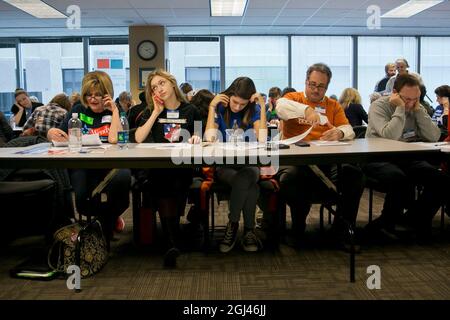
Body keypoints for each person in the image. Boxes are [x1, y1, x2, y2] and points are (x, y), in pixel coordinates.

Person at [273, 63, 364, 249]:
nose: (315, 89)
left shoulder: (333, 105)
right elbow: (280, 107)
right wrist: (306, 110)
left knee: (354, 175)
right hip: (296, 162)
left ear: (327, 87)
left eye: (320, 86)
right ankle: (298, 229)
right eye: (312, 84)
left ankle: (341, 230)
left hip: (326, 161)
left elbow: (348, 129)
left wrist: (339, 133)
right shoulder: (293, 97)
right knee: (291, 178)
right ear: (306, 82)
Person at [47, 71, 131, 245]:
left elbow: (115, 139)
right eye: (89, 95)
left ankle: (106, 220)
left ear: (107, 94)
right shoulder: (78, 110)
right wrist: (51, 133)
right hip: (83, 163)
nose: (93, 99)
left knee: (123, 182)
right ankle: (103, 224)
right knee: (82, 198)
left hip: (111, 164)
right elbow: (60, 133)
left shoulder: (117, 111)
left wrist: (114, 111)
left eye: (98, 95)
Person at [364, 74, 449, 240]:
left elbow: (433, 135)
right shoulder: (378, 106)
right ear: (395, 93)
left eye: (415, 98)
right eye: (407, 99)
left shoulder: (417, 107)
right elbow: (390, 136)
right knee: (400, 179)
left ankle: (412, 220)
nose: (411, 103)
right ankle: (384, 224)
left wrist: (418, 111)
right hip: (377, 158)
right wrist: (400, 109)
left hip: (406, 158)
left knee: (441, 180)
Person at [135, 69, 201, 267]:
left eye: (162, 83)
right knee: (163, 181)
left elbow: (200, 136)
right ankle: (172, 243)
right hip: (157, 168)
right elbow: (138, 138)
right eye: (154, 87)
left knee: (173, 181)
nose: (159, 89)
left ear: (172, 84)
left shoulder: (191, 110)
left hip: (182, 166)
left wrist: (196, 138)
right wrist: (155, 112)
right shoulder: (151, 111)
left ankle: (171, 240)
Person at [205, 77, 267, 253]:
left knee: (246, 176)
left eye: (243, 104)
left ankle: (232, 226)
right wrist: (211, 107)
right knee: (251, 187)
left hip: (250, 165)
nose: (238, 107)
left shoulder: (253, 109)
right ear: (229, 95)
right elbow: (209, 138)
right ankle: (248, 230)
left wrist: (262, 107)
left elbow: (262, 139)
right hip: (225, 166)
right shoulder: (220, 107)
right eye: (235, 102)